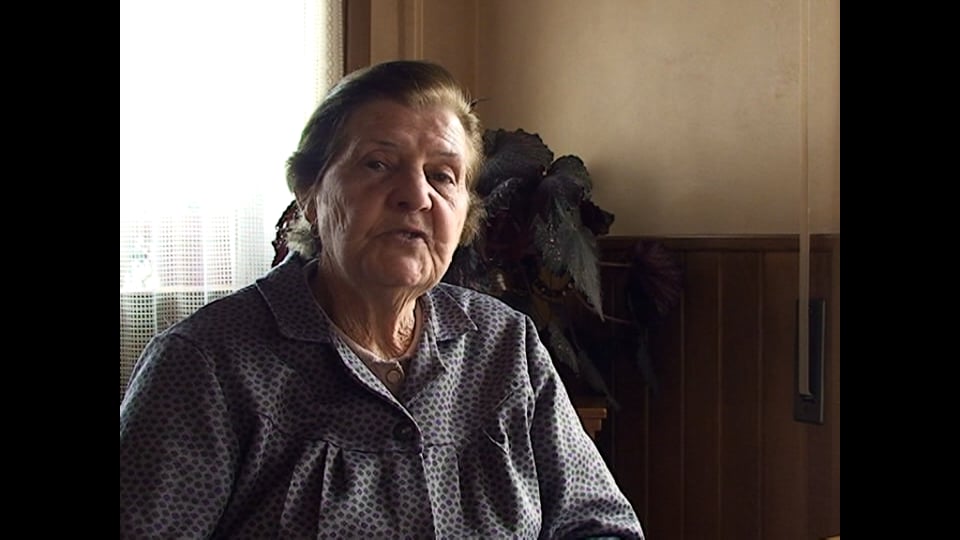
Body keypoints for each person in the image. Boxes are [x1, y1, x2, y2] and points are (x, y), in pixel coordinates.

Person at [120, 60, 645, 539]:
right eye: (378, 164)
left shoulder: (505, 345)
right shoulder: (204, 365)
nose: (416, 195)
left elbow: (600, 525)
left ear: (465, 212)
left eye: (442, 176)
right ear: (310, 194)